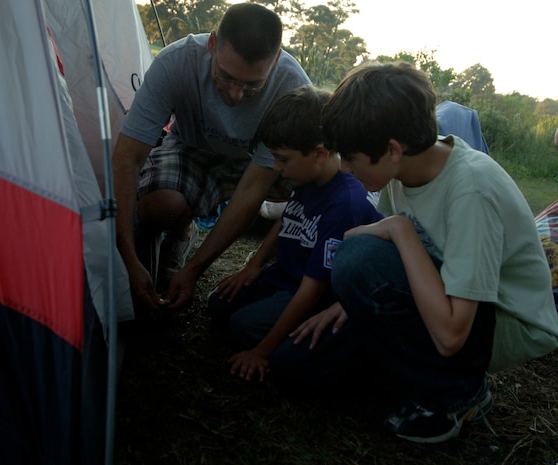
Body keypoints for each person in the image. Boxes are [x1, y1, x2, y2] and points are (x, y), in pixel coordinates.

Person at [283, 62, 558, 443]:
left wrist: (400, 228)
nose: (344, 168)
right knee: (300, 367)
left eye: (350, 157)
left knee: (357, 258)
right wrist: (348, 305)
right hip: (446, 293)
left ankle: (458, 393)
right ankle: (408, 376)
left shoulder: (470, 190)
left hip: (501, 320)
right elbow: (388, 262)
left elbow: (450, 335)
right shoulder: (404, 172)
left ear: (393, 150)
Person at [112, 3, 311, 315]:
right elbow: (127, 158)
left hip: (255, 163)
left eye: (252, 86)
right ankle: (182, 230)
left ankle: (266, 263)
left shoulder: (292, 85)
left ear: (275, 61)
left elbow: (251, 190)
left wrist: (194, 270)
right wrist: (127, 256)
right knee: (159, 206)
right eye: (226, 77)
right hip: (192, 148)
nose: (235, 95)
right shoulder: (176, 62)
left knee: (309, 181)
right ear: (212, 44)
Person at [207, 85, 383, 382]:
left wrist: (261, 352)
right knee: (218, 303)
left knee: (243, 326)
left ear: (319, 154)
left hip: (313, 294)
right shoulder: (308, 178)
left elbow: (313, 289)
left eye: (283, 159)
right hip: (285, 278)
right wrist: (254, 265)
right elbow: (287, 220)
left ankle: (342, 351)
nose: (276, 167)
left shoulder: (344, 202)